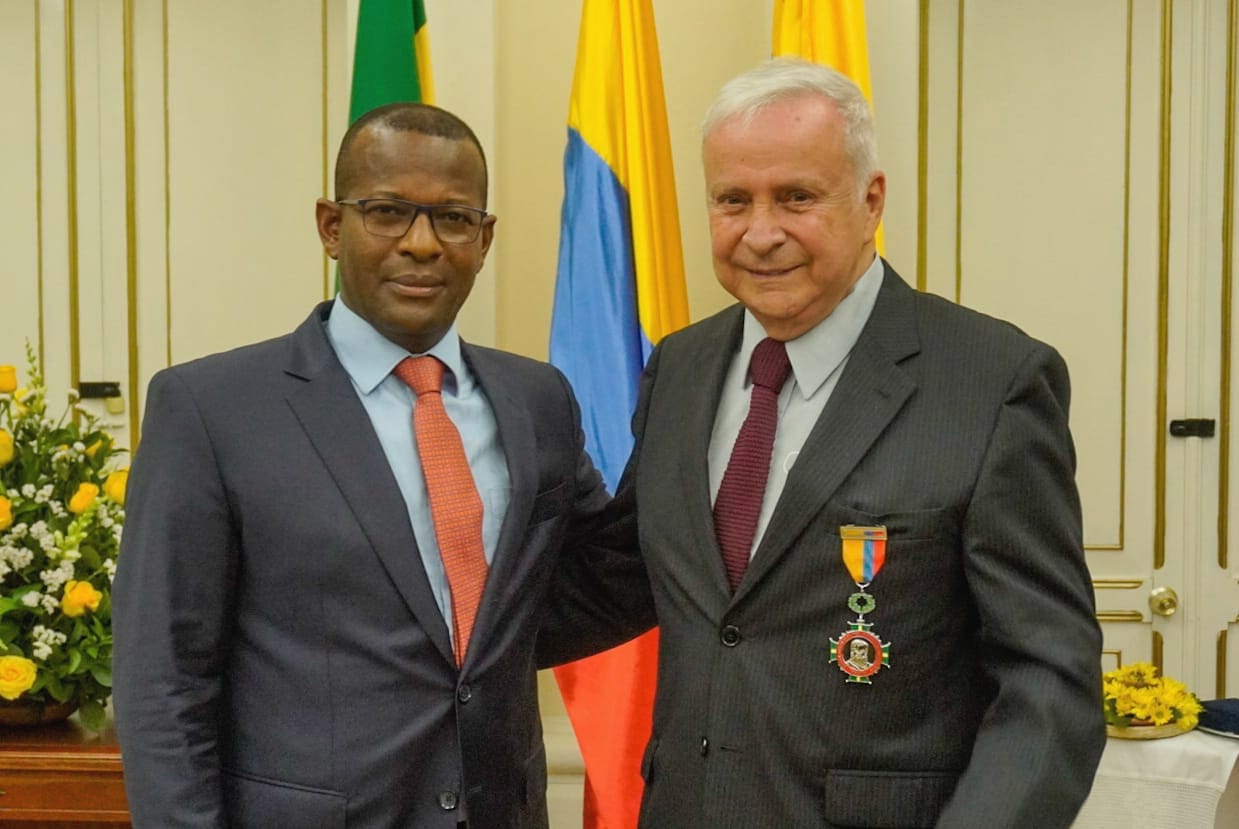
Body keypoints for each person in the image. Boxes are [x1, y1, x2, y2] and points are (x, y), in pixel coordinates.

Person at [546, 58, 1105, 828]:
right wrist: (417, 624)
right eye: (732, 200)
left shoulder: (990, 381)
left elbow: (1048, 680)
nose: (760, 233)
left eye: (796, 197)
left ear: (870, 200)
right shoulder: (680, 366)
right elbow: (625, 576)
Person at [112, 102, 647, 828]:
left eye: (453, 218)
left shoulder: (538, 400)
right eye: (388, 212)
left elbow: (587, 587)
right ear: (332, 227)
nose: (422, 244)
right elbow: (163, 679)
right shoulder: (211, 410)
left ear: (483, 239)